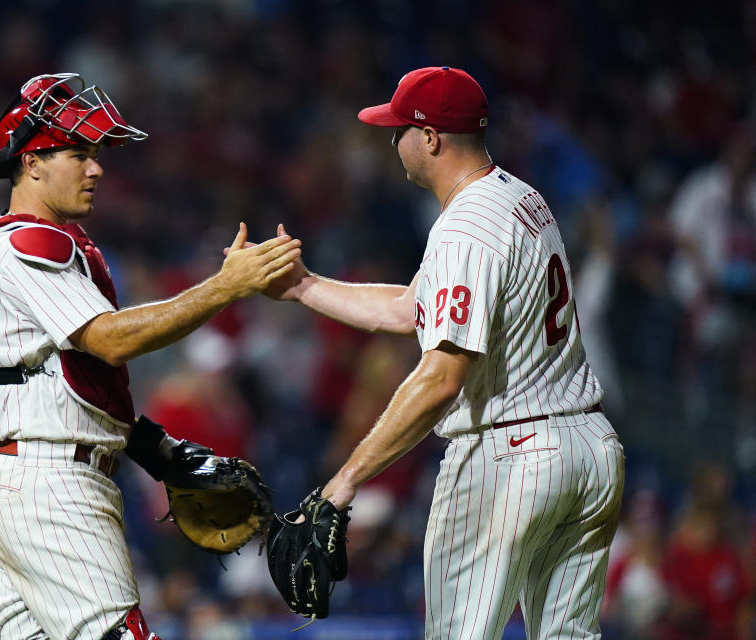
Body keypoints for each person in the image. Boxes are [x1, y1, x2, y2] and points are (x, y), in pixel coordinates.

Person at [264, 67, 625, 639]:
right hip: (588, 449)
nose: (392, 140)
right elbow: (412, 308)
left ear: (430, 138)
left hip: (511, 455)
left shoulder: (464, 229)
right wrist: (304, 286)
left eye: (400, 128)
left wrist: (345, 480)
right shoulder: (519, 197)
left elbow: (440, 379)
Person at [0, 73, 300, 640]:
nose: (96, 169)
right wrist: (224, 286)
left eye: (96, 156)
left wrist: (160, 453)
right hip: (53, 485)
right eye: (77, 153)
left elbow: (77, 381)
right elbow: (111, 341)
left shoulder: (24, 242)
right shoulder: (29, 243)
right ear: (31, 163)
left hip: (40, 474)